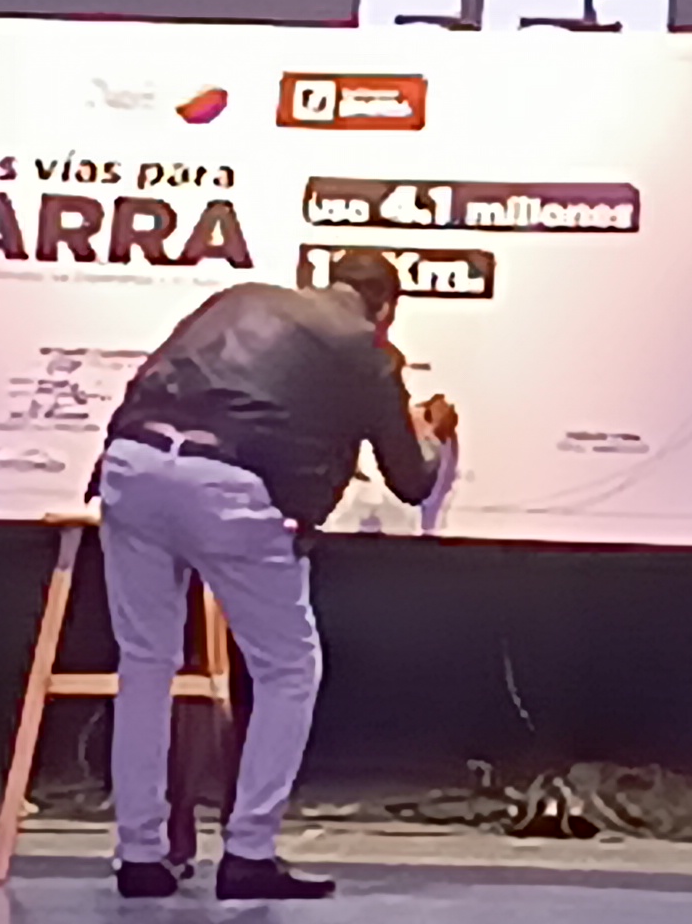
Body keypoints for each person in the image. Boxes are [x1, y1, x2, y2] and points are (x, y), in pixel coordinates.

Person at [97, 253, 439, 903]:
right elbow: (412, 479)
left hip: (132, 462)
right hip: (227, 487)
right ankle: (249, 852)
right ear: (387, 310)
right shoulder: (369, 350)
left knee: (145, 662)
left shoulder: (243, 296)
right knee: (287, 669)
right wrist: (431, 433)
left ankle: (139, 856)